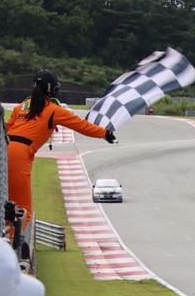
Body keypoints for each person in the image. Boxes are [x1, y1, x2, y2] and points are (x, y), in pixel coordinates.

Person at [7, 69, 116, 224]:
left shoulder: (22, 106)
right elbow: (82, 126)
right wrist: (105, 133)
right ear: (52, 90)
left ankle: (4, 235)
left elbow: (7, 127)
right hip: (20, 154)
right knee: (23, 210)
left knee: (7, 205)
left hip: (4, 148)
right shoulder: (54, 110)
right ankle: (11, 245)